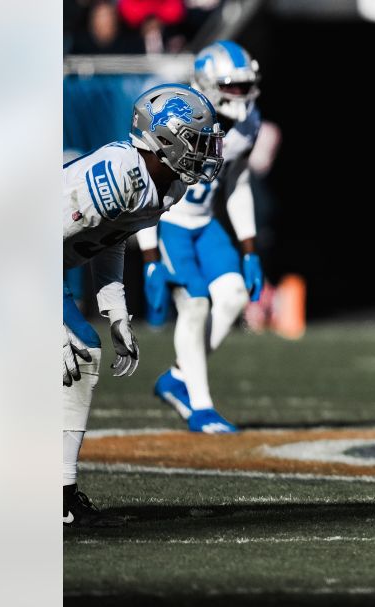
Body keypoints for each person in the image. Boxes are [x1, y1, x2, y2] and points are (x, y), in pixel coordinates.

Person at [63, 84, 223, 527]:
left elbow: (108, 240)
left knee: (80, 355)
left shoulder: (165, 186)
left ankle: (58, 500)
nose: (206, 151)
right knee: (78, 351)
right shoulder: (119, 174)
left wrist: (115, 311)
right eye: (197, 139)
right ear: (166, 139)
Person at [138, 40, 263, 433]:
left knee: (234, 296)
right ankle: (201, 406)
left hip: (205, 222)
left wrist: (249, 249)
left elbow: (238, 182)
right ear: (207, 83)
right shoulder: (179, 115)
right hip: (169, 220)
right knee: (195, 305)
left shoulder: (247, 125)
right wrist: (150, 256)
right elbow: (144, 186)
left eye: (245, 86)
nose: (240, 95)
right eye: (232, 85)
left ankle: (178, 377)